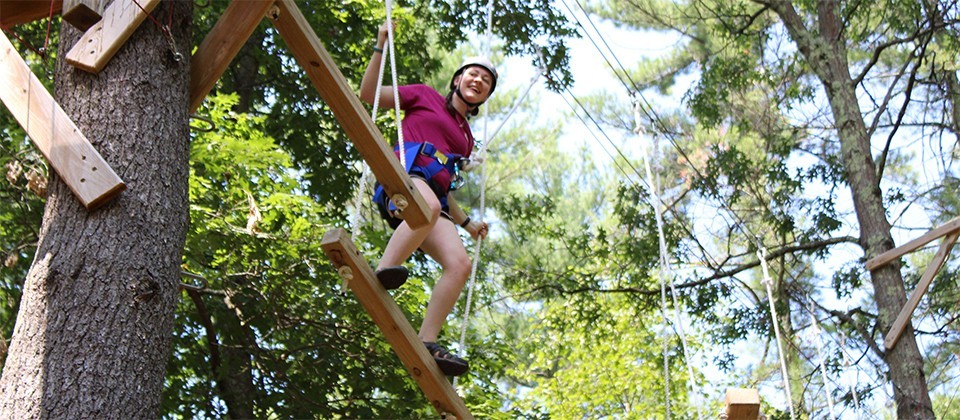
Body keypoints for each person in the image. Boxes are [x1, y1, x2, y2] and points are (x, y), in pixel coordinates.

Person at [358, 22, 494, 377]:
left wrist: (467, 224)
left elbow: (444, 191)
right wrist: (380, 45)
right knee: (428, 207)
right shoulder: (423, 95)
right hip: (402, 178)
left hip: (430, 198)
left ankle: (428, 340)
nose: (478, 82)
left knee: (460, 264)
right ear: (457, 80)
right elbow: (368, 95)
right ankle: (386, 267)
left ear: (484, 97)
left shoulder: (465, 140)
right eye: (473, 75)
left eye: (486, 82)